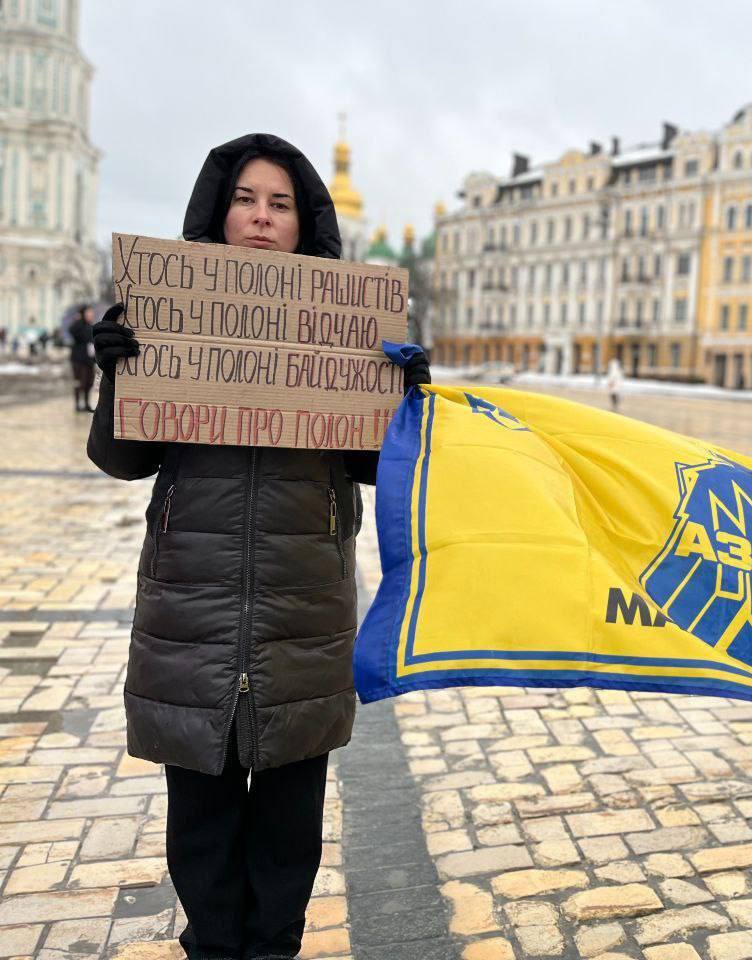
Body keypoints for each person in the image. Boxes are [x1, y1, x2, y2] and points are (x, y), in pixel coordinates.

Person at [87, 133, 430, 960]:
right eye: (246, 199)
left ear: (304, 222)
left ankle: (274, 944)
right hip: (191, 598)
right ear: (219, 209)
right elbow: (122, 460)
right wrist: (119, 373)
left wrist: (403, 400)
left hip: (300, 603)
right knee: (199, 810)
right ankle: (211, 943)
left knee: (288, 814)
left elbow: (372, 468)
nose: (262, 218)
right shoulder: (167, 316)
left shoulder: (343, 330)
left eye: (280, 204)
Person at [67, 304, 95, 412]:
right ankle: (78, 404)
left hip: (89, 360)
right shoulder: (78, 326)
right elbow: (71, 330)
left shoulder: (91, 327)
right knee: (79, 382)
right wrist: (78, 320)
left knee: (89, 382)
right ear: (83, 314)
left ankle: (87, 404)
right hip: (78, 360)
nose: (91, 315)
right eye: (88, 313)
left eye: (91, 313)